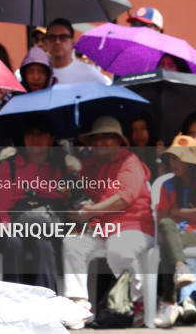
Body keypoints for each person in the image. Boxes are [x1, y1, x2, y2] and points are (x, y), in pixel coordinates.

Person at [62, 115, 154, 329]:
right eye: (97, 138)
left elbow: (124, 197)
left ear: (119, 141)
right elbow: (83, 197)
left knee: (118, 247)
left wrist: (91, 210)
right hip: (101, 227)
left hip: (134, 227)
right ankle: (79, 306)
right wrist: (73, 200)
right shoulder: (89, 165)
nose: (100, 142)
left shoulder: (130, 161)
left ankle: (136, 301)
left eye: (107, 137)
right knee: (72, 241)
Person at [0, 115, 66, 291]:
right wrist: (7, 227)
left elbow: (66, 197)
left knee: (43, 244)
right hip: (14, 223)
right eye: (30, 134)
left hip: (49, 225)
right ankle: (14, 299)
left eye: (41, 134)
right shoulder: (8, 165)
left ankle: (46, 300)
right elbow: (1, 206)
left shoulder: (62, 166)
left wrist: (37, 189)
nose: (35, 139)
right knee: (13, 243)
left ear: (51, 138)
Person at [153, 136, 196, 328]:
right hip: (176, 234)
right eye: (171, 158)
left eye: (178, 158)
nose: (173, 162)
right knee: (167, 228)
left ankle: (169, 302)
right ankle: (181, 270)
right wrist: (190, 213)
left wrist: (176, 211)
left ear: (191, 162)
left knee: (169, 243)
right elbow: (164, 218)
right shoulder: (167, 185)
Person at [46, 18, 111, 85]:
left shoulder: (89, 73)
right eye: (52, 37)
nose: (57, 42)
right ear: (46, 41)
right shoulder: (39, 74)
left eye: (63, 37)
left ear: (73, 42)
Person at [127, 112, 163, 180]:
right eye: (134, 129)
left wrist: (160, 158)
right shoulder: (126, 157)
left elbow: (162, 184)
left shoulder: (157, 152)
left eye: (143, 128)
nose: (139, 134)